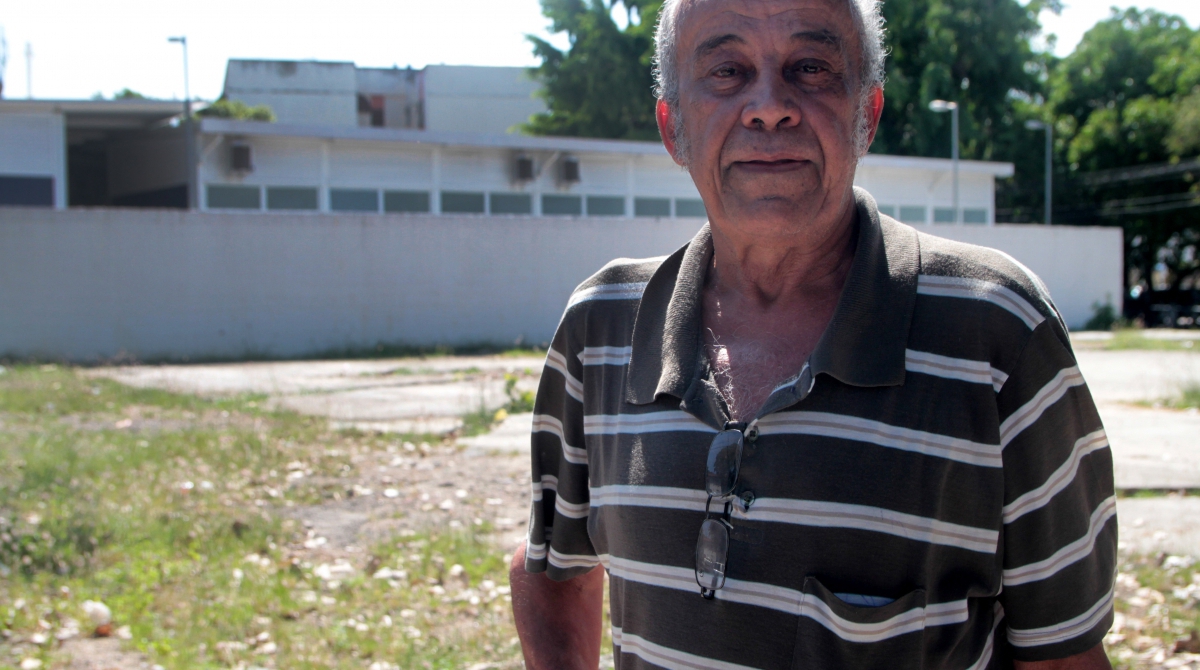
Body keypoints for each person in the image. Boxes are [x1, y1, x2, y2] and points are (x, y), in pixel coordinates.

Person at [509, 0, 1117, 668]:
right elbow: (547, 566)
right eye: (726, 70)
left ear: (868, 116)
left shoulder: (998, 333)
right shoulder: (602, 326)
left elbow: (1064, 655)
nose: (770, 107)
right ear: (672, 127)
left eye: (811, 67)